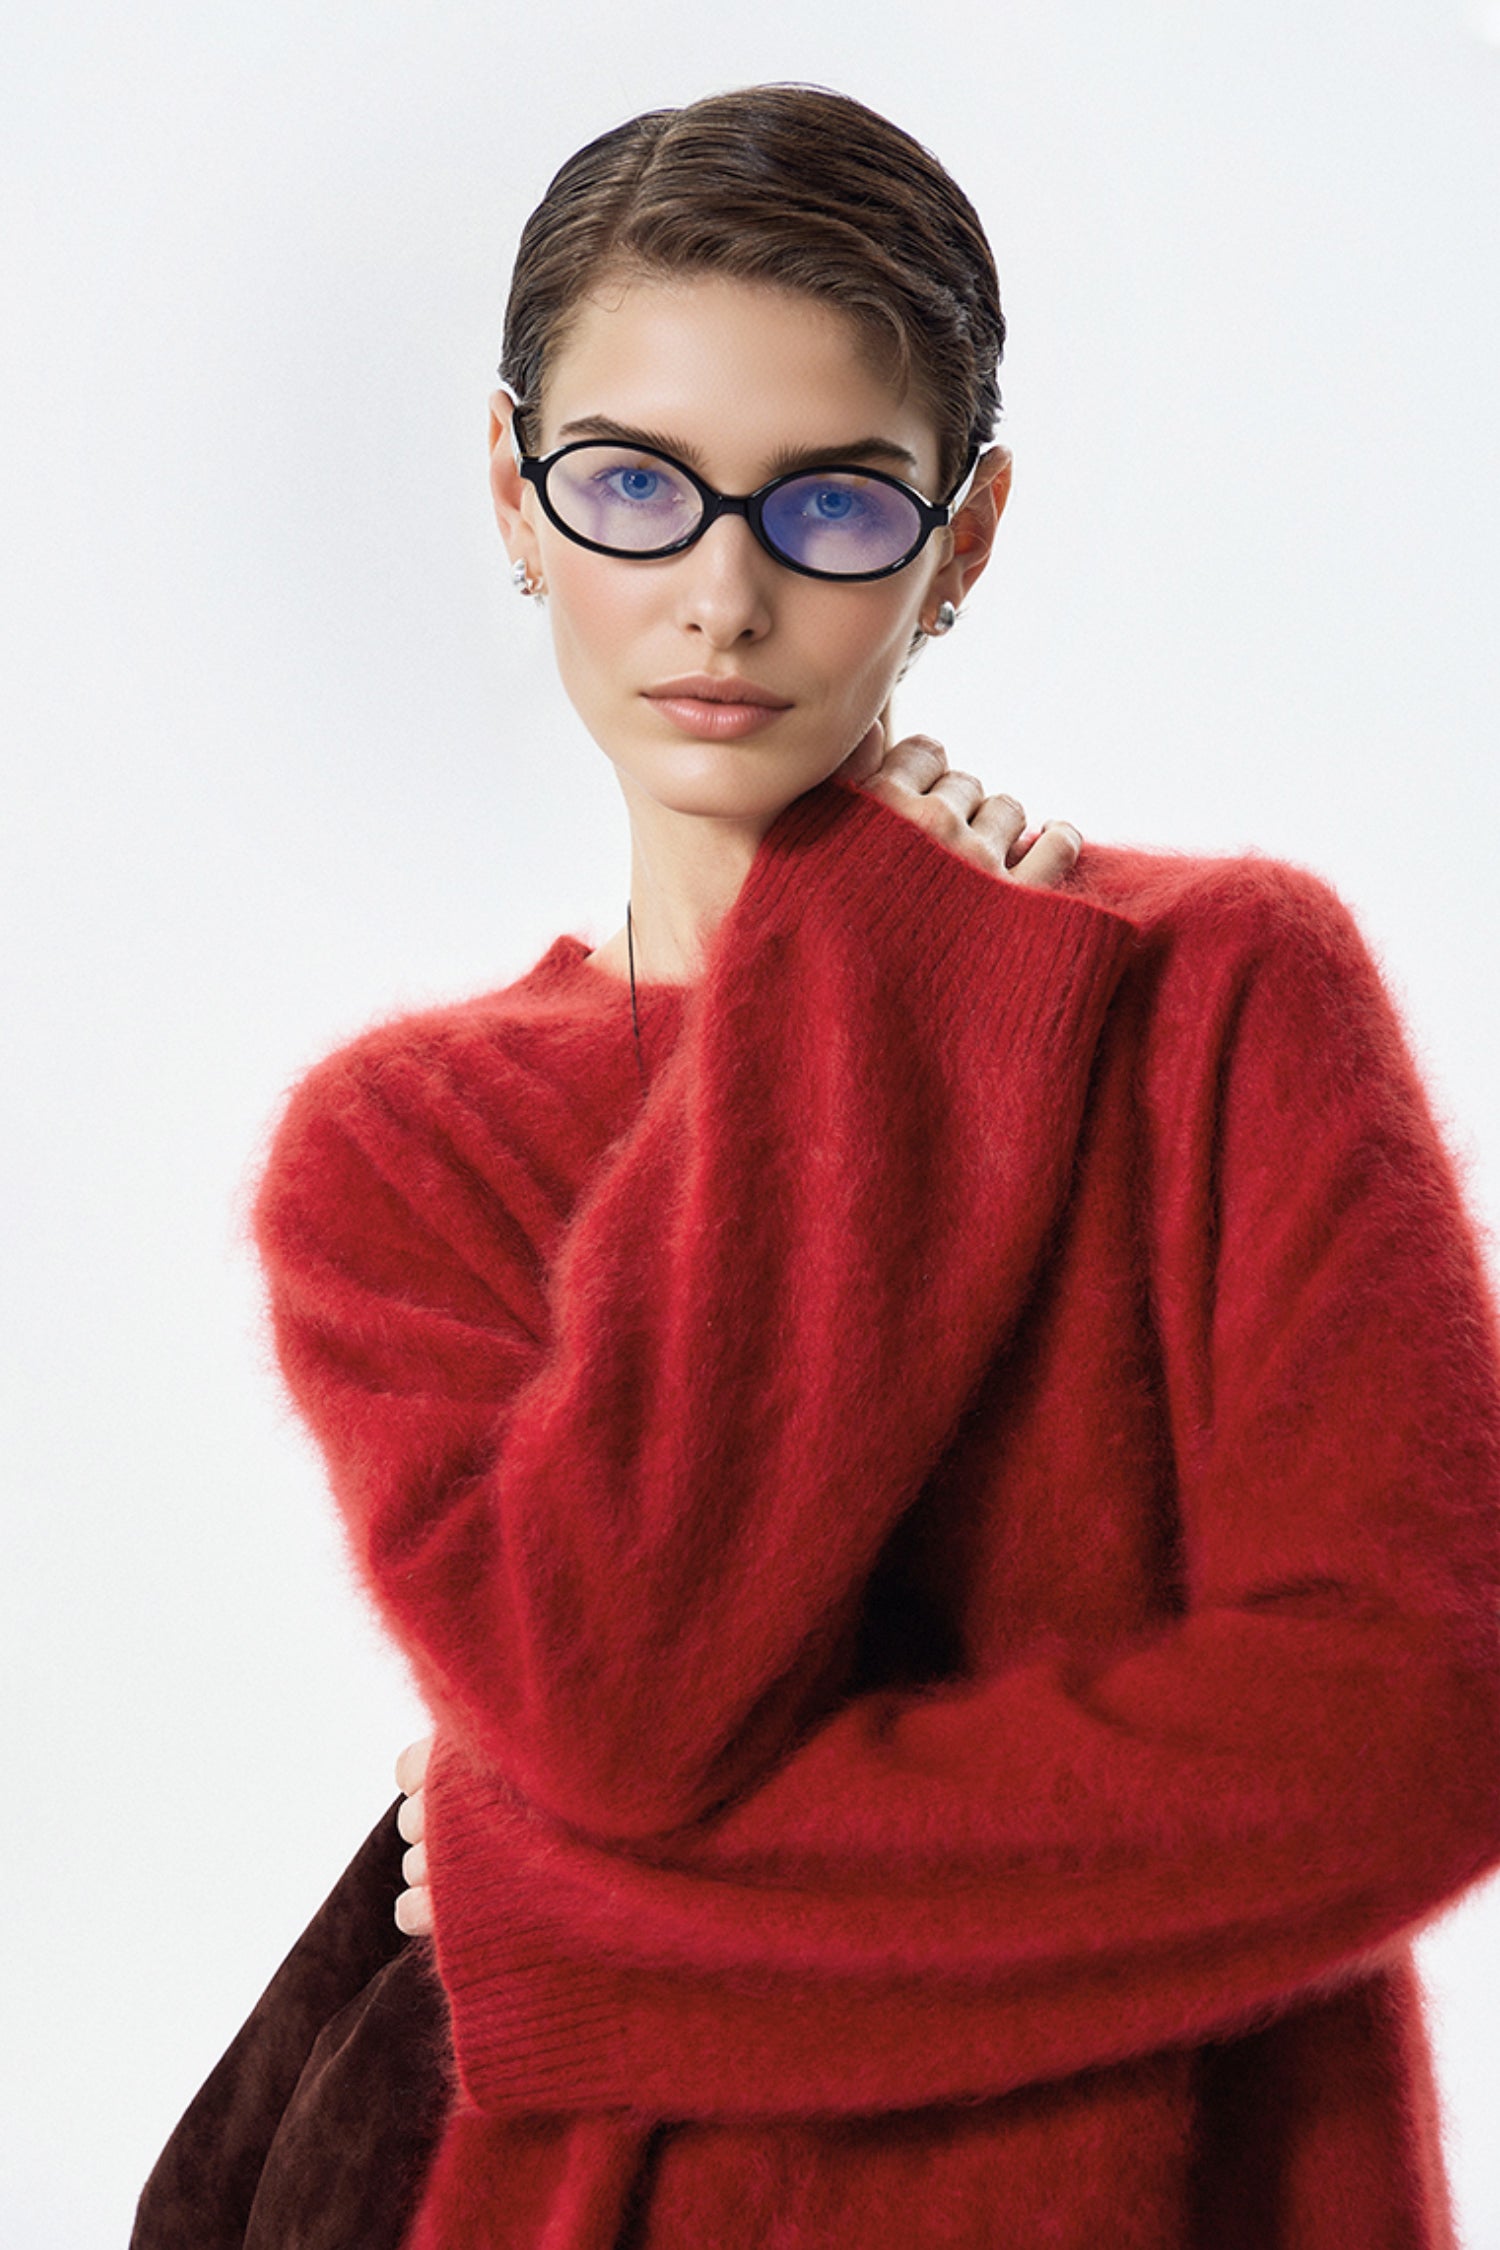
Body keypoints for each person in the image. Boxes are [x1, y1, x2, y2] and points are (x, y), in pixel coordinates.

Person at [247, 82, 1500, 2250]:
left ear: (966, 533)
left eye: (829, 503)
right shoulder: (407, 1145)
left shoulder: (1216, 992)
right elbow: (624, 1702)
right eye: (632, 485)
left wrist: (571, 1916)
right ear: (515, 494)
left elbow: (1419, 1721)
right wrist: (872, 995)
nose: (720, 597)